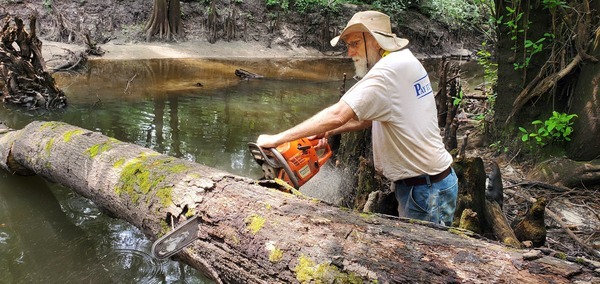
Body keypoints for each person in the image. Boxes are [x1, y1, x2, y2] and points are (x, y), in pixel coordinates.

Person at [256, 10, 458, 226]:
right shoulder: (406, 60)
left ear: (374, 40)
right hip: (426, 184)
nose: (350, 52)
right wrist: (329, 131)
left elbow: (338, 114)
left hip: (425, 190)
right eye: (348, 46)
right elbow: (369, 119)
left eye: (354, 44)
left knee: (423, 256)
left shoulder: (387, 72)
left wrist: (277, 140)